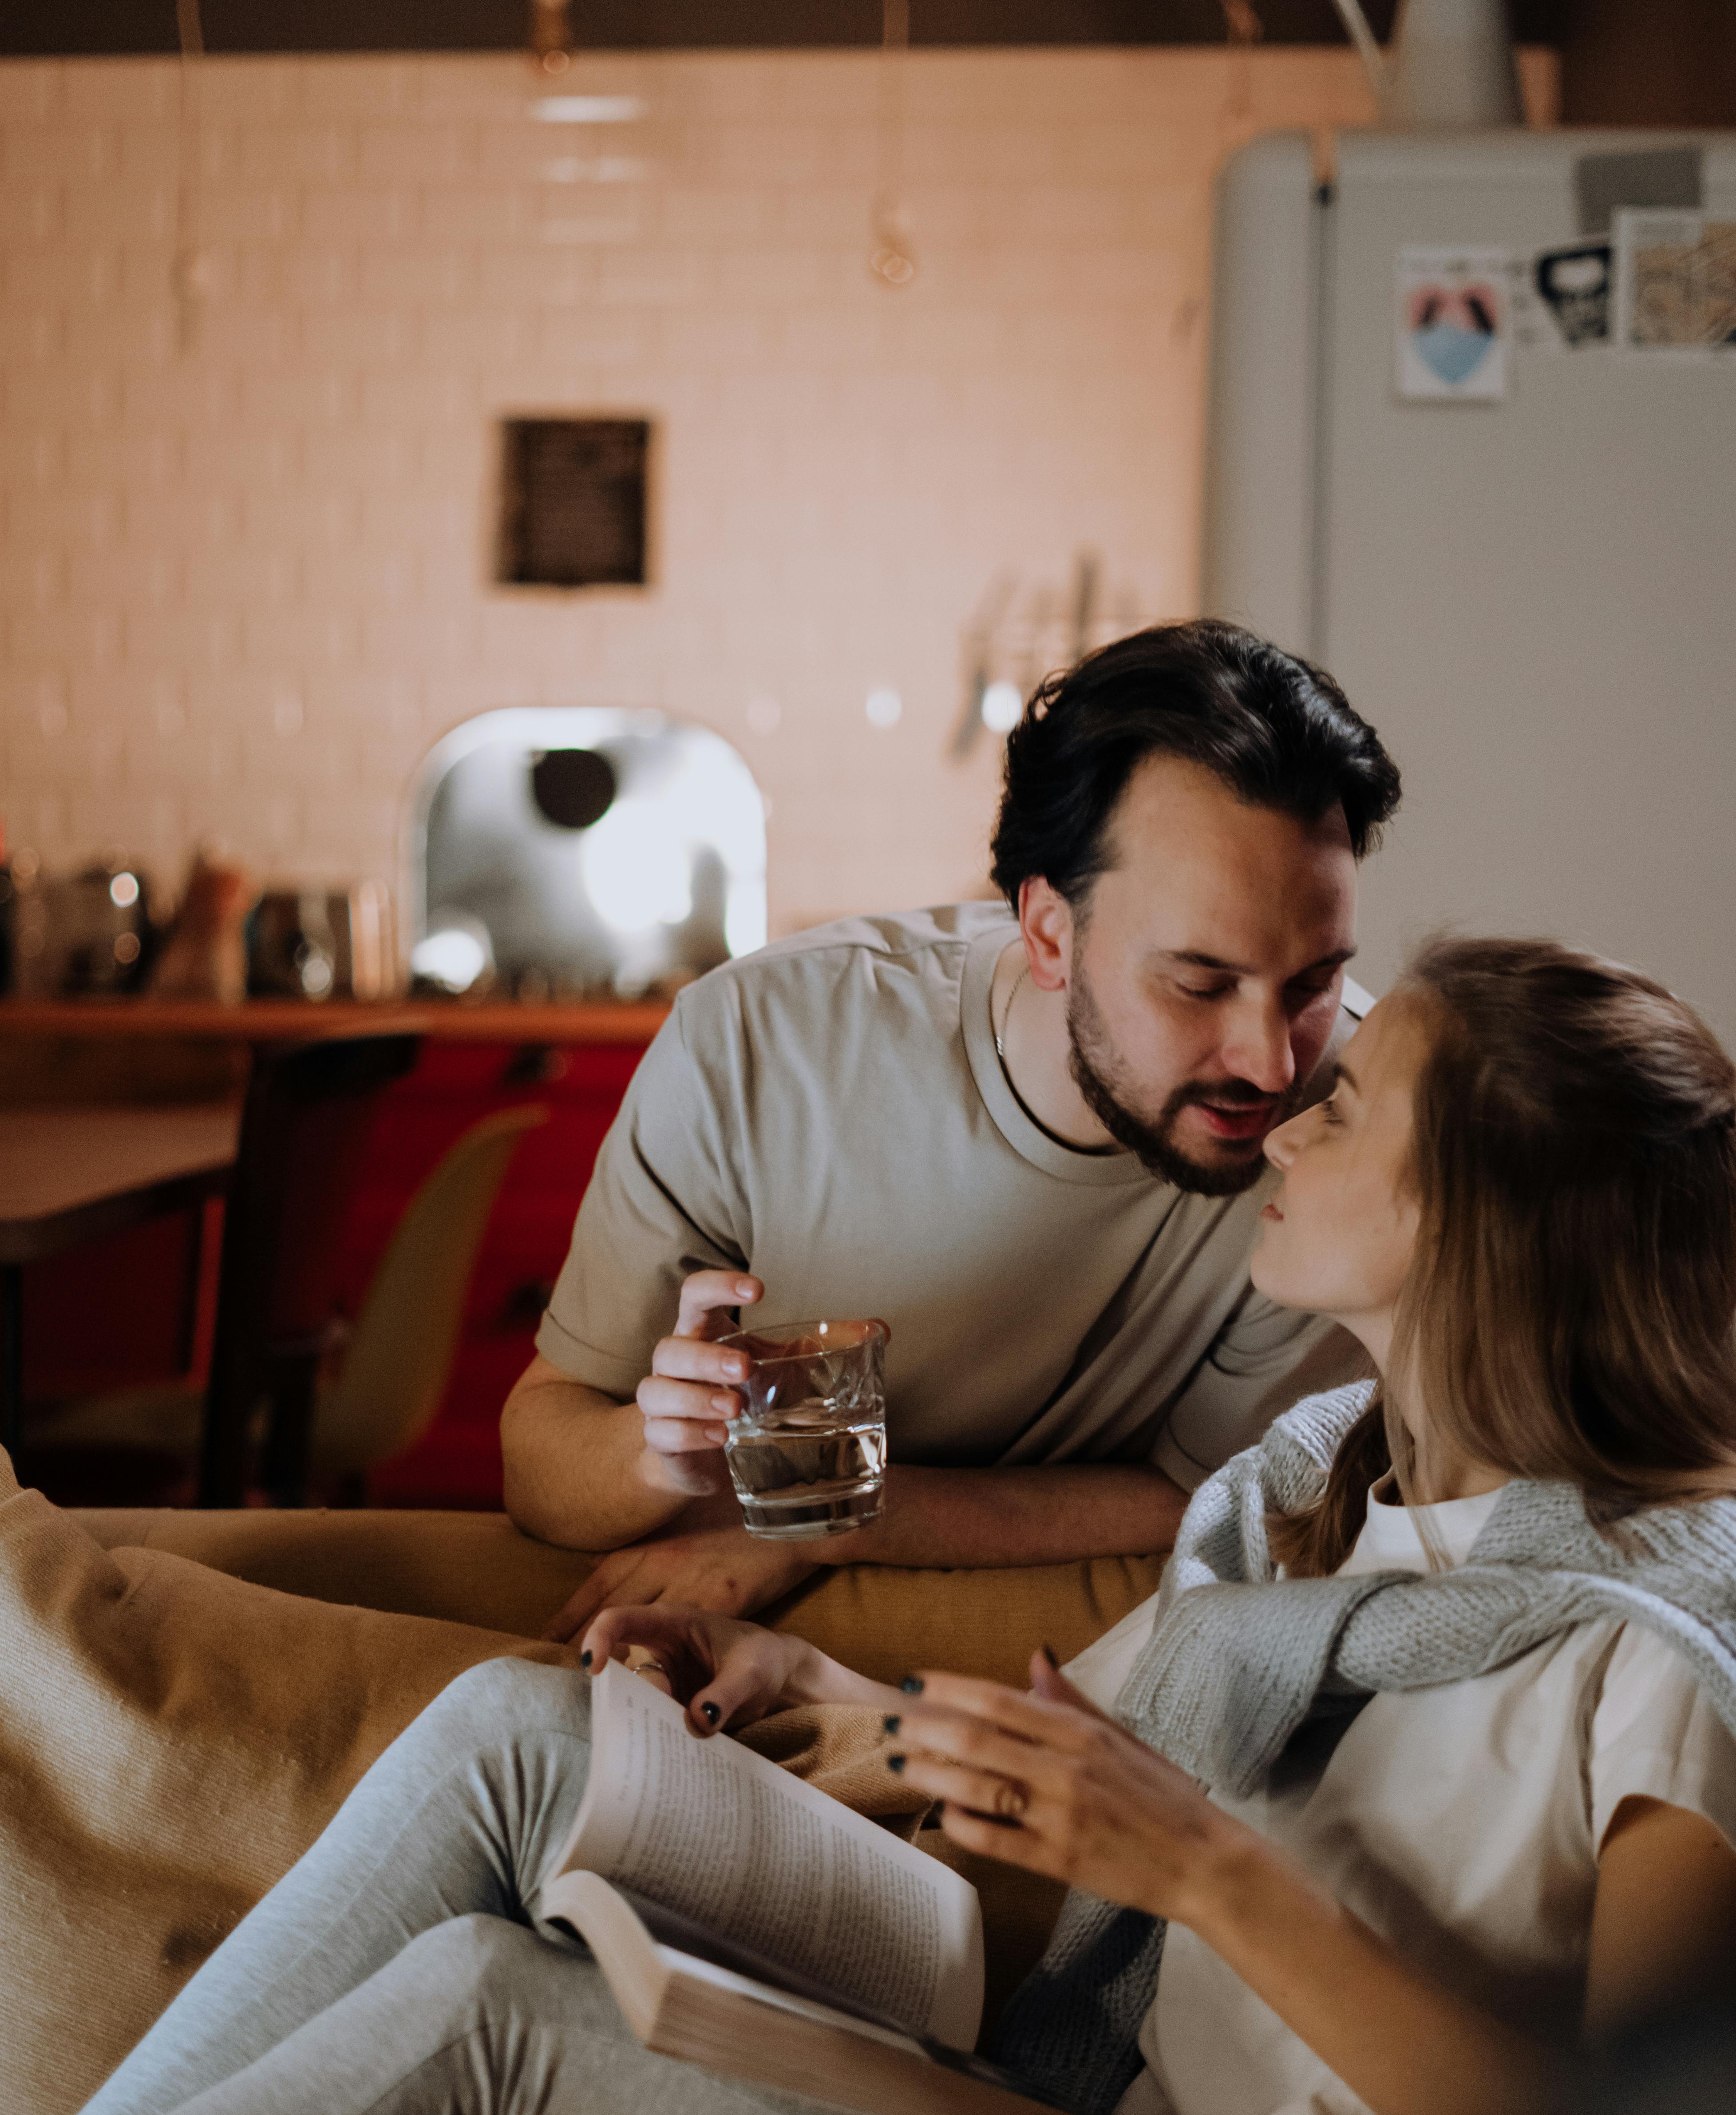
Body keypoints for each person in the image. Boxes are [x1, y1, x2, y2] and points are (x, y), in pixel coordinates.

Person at [9, 934, 1736, 2115]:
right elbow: (1072, 1750)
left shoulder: (1665, 1660)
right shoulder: (1315, 1489)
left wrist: (1211, 1870)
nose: (1289, 1108)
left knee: (494, 2016)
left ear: (1487, 1220)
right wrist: (796, 1668)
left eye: (1352, 1101)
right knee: (530, 1733)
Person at [505, 620, 1400, 1640]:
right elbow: (541, 1456)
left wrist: (826, 1521)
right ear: (1049, 931)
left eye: (1315, 980)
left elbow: (1210, 1490)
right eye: (1202, 982)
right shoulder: (757, 1043)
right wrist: (653, 1456)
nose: (1274, 1064)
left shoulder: (1350, 1114)